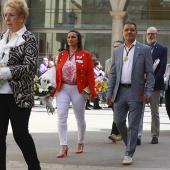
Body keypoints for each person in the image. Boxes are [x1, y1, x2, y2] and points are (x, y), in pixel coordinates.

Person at [106, 22, 155, 165]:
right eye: (126, 30)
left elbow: (150, 73)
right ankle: (129, 144)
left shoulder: (144, 49)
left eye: (132, 30)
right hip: (119, 91)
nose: (129, 32)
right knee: (119, 120)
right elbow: (113, 74)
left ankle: (128, 153)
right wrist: (109, 92)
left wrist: (149, 91)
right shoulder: (117, 51)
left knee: (133, 125)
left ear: (136, 32)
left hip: (137, 91)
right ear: (122, 32)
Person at [0, 0, 41, 169]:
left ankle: (34, 167)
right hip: (0, 95)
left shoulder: (29, 38)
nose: (7, 19)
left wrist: (3, 72)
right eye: (5, 15)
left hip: (20, 96)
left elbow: (29, 67)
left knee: (20, 135)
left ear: (22, 17)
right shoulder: (2, 36)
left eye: (11, 15)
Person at [51, 30, 96, 158]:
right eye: (68, 37)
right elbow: (57, 72)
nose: (70, 39)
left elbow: (90, 74)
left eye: (73, 37)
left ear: (78, 39)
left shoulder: (85, 54)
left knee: (80, 117)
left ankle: (80, 142)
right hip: (63, 88)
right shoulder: (61, 54)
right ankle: (63, 145)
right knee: (61, 117)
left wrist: (92, 90)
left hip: (78, 88)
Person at [137, 27, 167, 145]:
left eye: (152, 34)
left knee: (154, 111)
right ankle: (138, 136)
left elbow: (162, 67)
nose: (150, 36)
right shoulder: (141, 48)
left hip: (155, 85)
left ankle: (154, 135)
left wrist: (152, 81)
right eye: (148, 34)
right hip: (141, 86)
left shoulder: (162, 49)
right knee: (139, 111)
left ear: (157, 35)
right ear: (146, 35)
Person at [105, 40, 123, 143]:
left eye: (118, 46)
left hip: (123, 89)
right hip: (112, 90)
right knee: (115, 112)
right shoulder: (108, 61)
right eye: (114, 46)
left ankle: (116, 133)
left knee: (119, 113)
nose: (116, 48)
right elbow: (108, 76)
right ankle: (116, 133)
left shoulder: (126, 60)